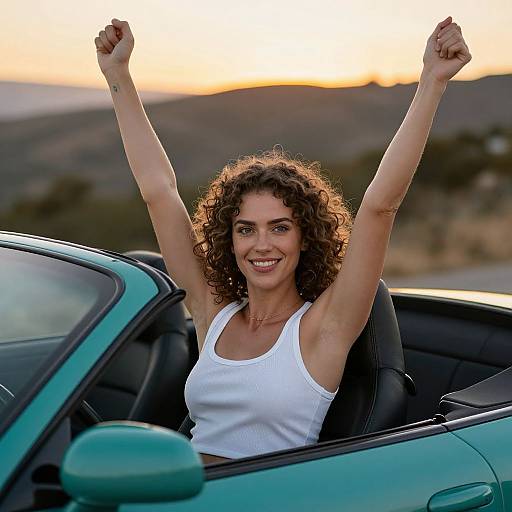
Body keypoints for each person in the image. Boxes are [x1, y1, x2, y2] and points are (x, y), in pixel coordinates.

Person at [94, 16, 471, 464]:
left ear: (305, 237)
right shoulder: (212, 314)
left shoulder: (323, 330)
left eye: (280, 227)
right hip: (179, 491)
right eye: (245, 229)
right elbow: (160, 192)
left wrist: (432, 81)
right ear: (228, 241)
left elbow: (379, 206)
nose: (261, 245)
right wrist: (118, 76)